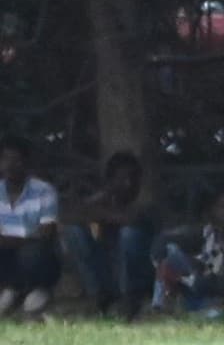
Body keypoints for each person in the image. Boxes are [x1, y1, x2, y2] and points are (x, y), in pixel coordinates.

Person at [61, 151, 156, 320]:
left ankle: (129, 299)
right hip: (107, 272)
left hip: (137, 278)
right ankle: (97, 296)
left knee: (128, 235)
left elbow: (130, 219)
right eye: (121, 179)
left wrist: (100, 214)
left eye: (133, 179)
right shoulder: (101, 204)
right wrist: (99, 199)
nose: (128, 184)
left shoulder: (146, 207)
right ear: (110, 181)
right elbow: (68, 217)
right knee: (74, 232)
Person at [154, 190, 224, 316]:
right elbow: (164, 240)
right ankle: (158, 306)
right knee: (170, 252)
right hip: (200, 293)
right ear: (214, 210)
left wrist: (192, 280)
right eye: (223, 207)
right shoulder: (206, 233)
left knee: (217, 313)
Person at [0, 137, 62, 319]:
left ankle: (38, 290)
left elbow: (46, 234)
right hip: (7, 254)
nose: (10, 166)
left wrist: (10, 240)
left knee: (31, 253)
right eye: (5, 159)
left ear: (27, 164)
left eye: (16, 160)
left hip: (36, 255)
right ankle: (11, 290)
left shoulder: (44, 191)